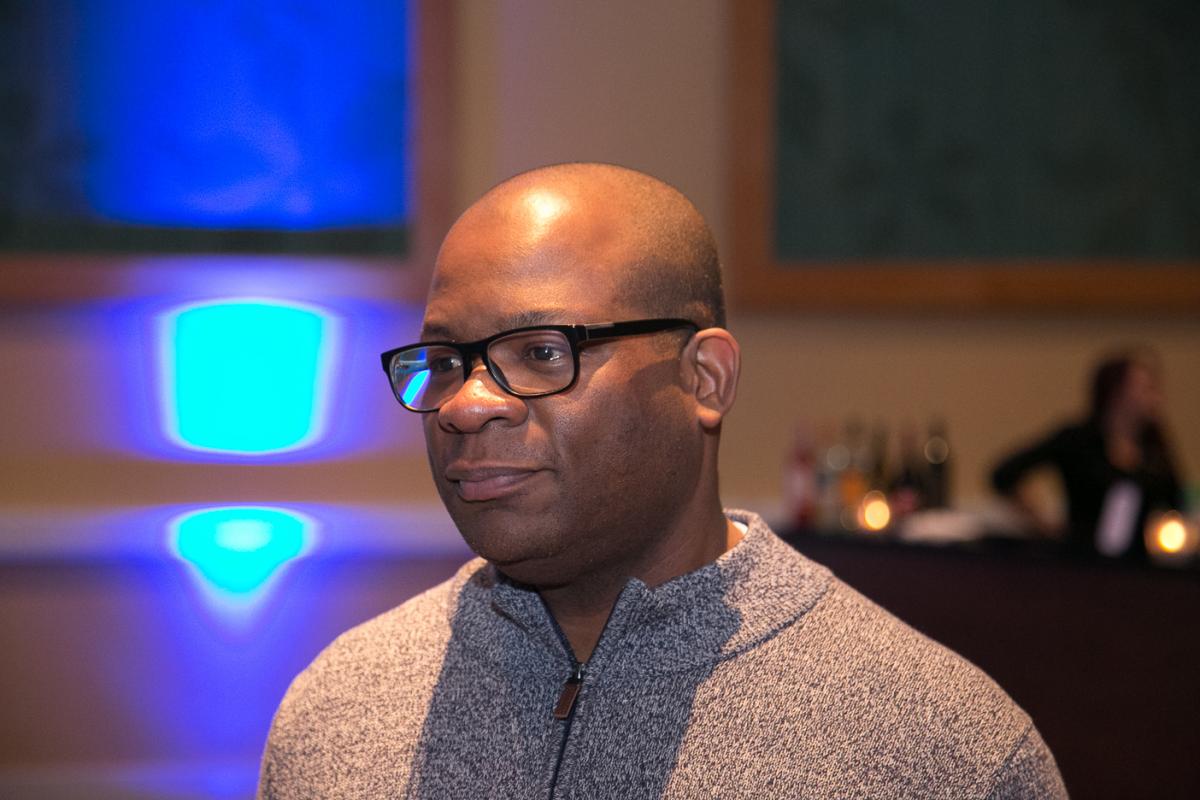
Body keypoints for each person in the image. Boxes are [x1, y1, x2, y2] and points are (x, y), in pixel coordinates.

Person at [258, 163, 1067, 798]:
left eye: (541, 352)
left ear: (704, 380)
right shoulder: (339, 711)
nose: (466, 406)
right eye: (444, 361)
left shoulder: (941, 751)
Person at [992, 351, 1185, 561]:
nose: (1156, 397)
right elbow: (1004, 474)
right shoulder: (1078, 440)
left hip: (1141, 563)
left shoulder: (1154, 445)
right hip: (1082, 560)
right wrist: (1042, 523)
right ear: (1117, 393)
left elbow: (1176, 501)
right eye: (1146, 388)